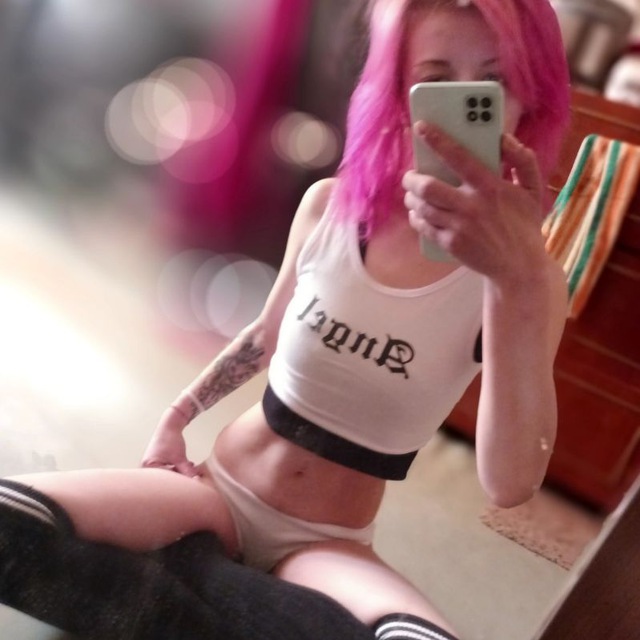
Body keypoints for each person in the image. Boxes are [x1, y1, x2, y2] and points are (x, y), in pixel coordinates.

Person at [1, 0, 571, 638]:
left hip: (327, 544)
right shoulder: (330, 206)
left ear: (531, 97)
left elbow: (509, 485)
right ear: (396, 92)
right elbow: (263, 337)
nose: (465, 102)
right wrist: (176, 419)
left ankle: (196, 578)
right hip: (213, 495)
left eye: (492, 82)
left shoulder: (530, 284)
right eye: (435, 80)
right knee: (10, 522)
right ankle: (225, 591)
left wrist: (515, 280)